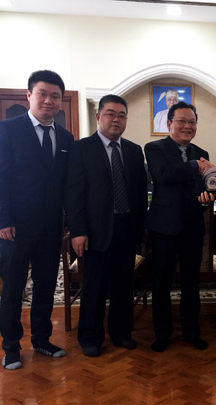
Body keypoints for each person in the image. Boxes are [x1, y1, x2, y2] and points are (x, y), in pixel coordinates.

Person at [0, 70, 74, 370]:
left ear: (60, 101)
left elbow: (65, 185)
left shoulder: (65, 137)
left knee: (46, 285)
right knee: (13, 287)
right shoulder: (7, 130)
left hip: (50, 227)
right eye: (42, 94)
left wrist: (68, 223)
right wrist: (2, 220)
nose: (48, 101)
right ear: (29, 95)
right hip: (15, 227)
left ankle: (41, 339)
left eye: (55, 96)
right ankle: (11, 347)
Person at [64, 94, 148, 358]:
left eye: (121, 115)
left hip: (126, 228)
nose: (116, 119)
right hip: (94, 230)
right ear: (99, 117)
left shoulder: (133, 151)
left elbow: (139, 193)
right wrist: (78, 231)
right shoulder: (81, 148)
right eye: (110, 114)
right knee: (94, 287)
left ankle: (121, 333)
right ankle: (90, 337)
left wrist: (140, 230)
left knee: (123, 286)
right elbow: (73, 194)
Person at [145, 101, 214, 352]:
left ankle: (191, 331)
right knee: (161, 283)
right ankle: (162, 334)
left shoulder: (201, 152)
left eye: (192, 122)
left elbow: (203, 188)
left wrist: (207, 199)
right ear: (169, 124)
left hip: (192, 227)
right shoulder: (154, 148)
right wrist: (195, 165)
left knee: (191, 283)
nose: (188, 126)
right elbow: (163, 175)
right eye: (182, 121)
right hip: (163, 228)